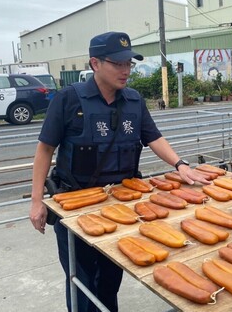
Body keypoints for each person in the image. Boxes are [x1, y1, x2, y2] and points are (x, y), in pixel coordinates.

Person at [29, 31, 210, 312]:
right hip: (76, 207)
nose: (126, 70)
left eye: (129, 64)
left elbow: (154, 138)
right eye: (118, 64)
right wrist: (37, 201)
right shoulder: (68, 100)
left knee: (111, 278)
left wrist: (180, 164)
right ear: (95, 64)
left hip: (122, 209)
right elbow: (44, 150)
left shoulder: (134, 101)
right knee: (82, 282)